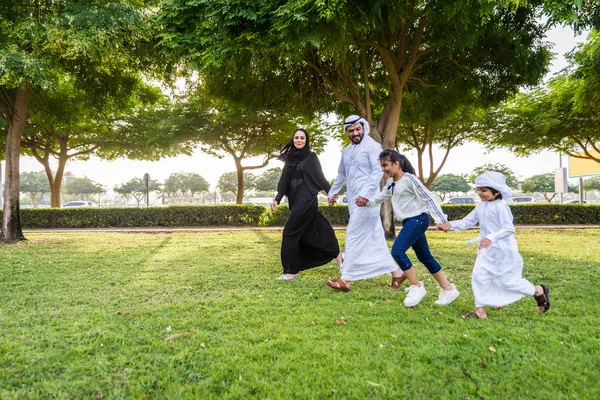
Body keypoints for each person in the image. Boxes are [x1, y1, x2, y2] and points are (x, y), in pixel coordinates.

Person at [438, 171, 550, 319]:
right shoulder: (480, 206)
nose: (480, 193)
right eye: (478, 190)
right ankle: (480, 311)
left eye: (484, 190)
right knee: (479, 277)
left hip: (503, 251)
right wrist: (449, 226)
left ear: (496, 192)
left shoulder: (501, 207)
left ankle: (537, 290)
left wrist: (491, 238)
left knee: (507, 282)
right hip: (486, 250)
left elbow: (509, 228)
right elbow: (467, 222)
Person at [359, 150, 460, 307]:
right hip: (409, 222)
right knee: (425, 257)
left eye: (385, 165)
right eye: (381, 166)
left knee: (397, 251)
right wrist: (365, 201)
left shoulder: (410, 179)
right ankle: (448, 288)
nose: (383, 169)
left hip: (418, 219)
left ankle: (416, 286)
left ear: (396, 164)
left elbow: (428, 198)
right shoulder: (391, 184)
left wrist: (441, 220)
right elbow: (380, 198)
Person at [326, 116, 404, 292]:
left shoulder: (372, 146)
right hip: (354, 201)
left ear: (364, 128)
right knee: (375, 237)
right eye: (351, 130)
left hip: (367, 201)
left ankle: (346, 279)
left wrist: (365, 195)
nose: (355, 133)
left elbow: (378, 172)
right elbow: (341, 175)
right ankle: (397, 272)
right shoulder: (346, 152)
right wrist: (332, 193)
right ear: (346, 132)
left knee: (353, 234)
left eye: (357, 129)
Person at [271, 128, 342, 280]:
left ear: (306, 140)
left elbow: (320, 178)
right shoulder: (290, 158)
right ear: (293, 139)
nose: (299, 140)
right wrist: (277, 198)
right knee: (314, 231)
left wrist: (331, 193)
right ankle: (340, 257)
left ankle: (291, 271)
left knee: (290, 232)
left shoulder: (310, 157)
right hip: (296, 200)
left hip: (307, 198)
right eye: (296, 137)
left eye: (302, 138)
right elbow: (284, 180)